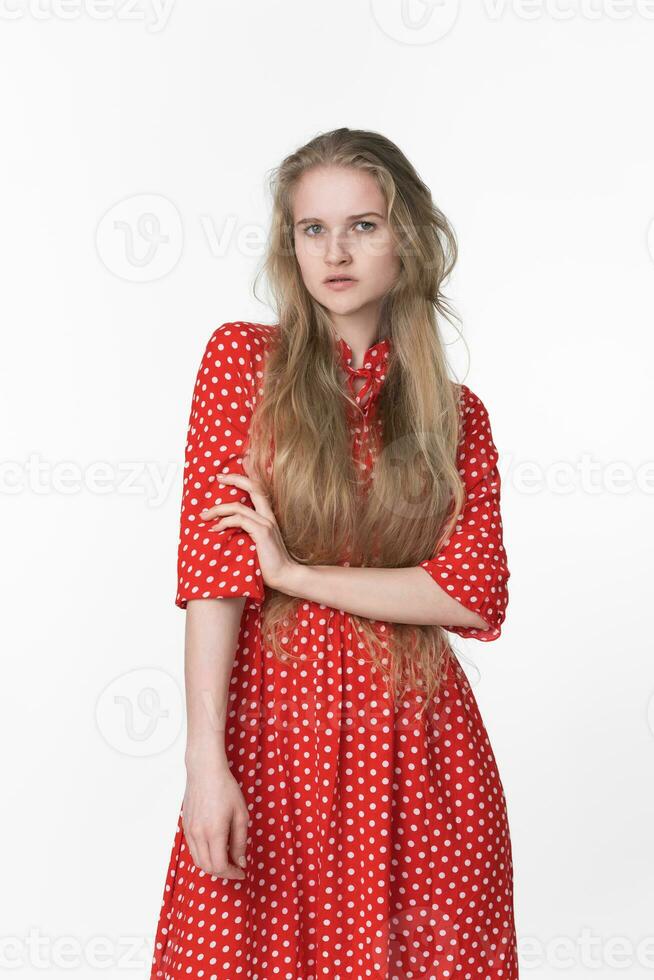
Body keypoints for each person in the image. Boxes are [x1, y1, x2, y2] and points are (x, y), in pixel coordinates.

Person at [150, 128, 518, 980]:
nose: (335, 251)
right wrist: (206, 760)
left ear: (409, 241)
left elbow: (472, 594)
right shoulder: (243, 364)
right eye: (312, 230)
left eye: (363, 225)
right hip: (274, 741)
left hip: (421, 754)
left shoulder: (459, 419)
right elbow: (214, 574)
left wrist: (296, 574)